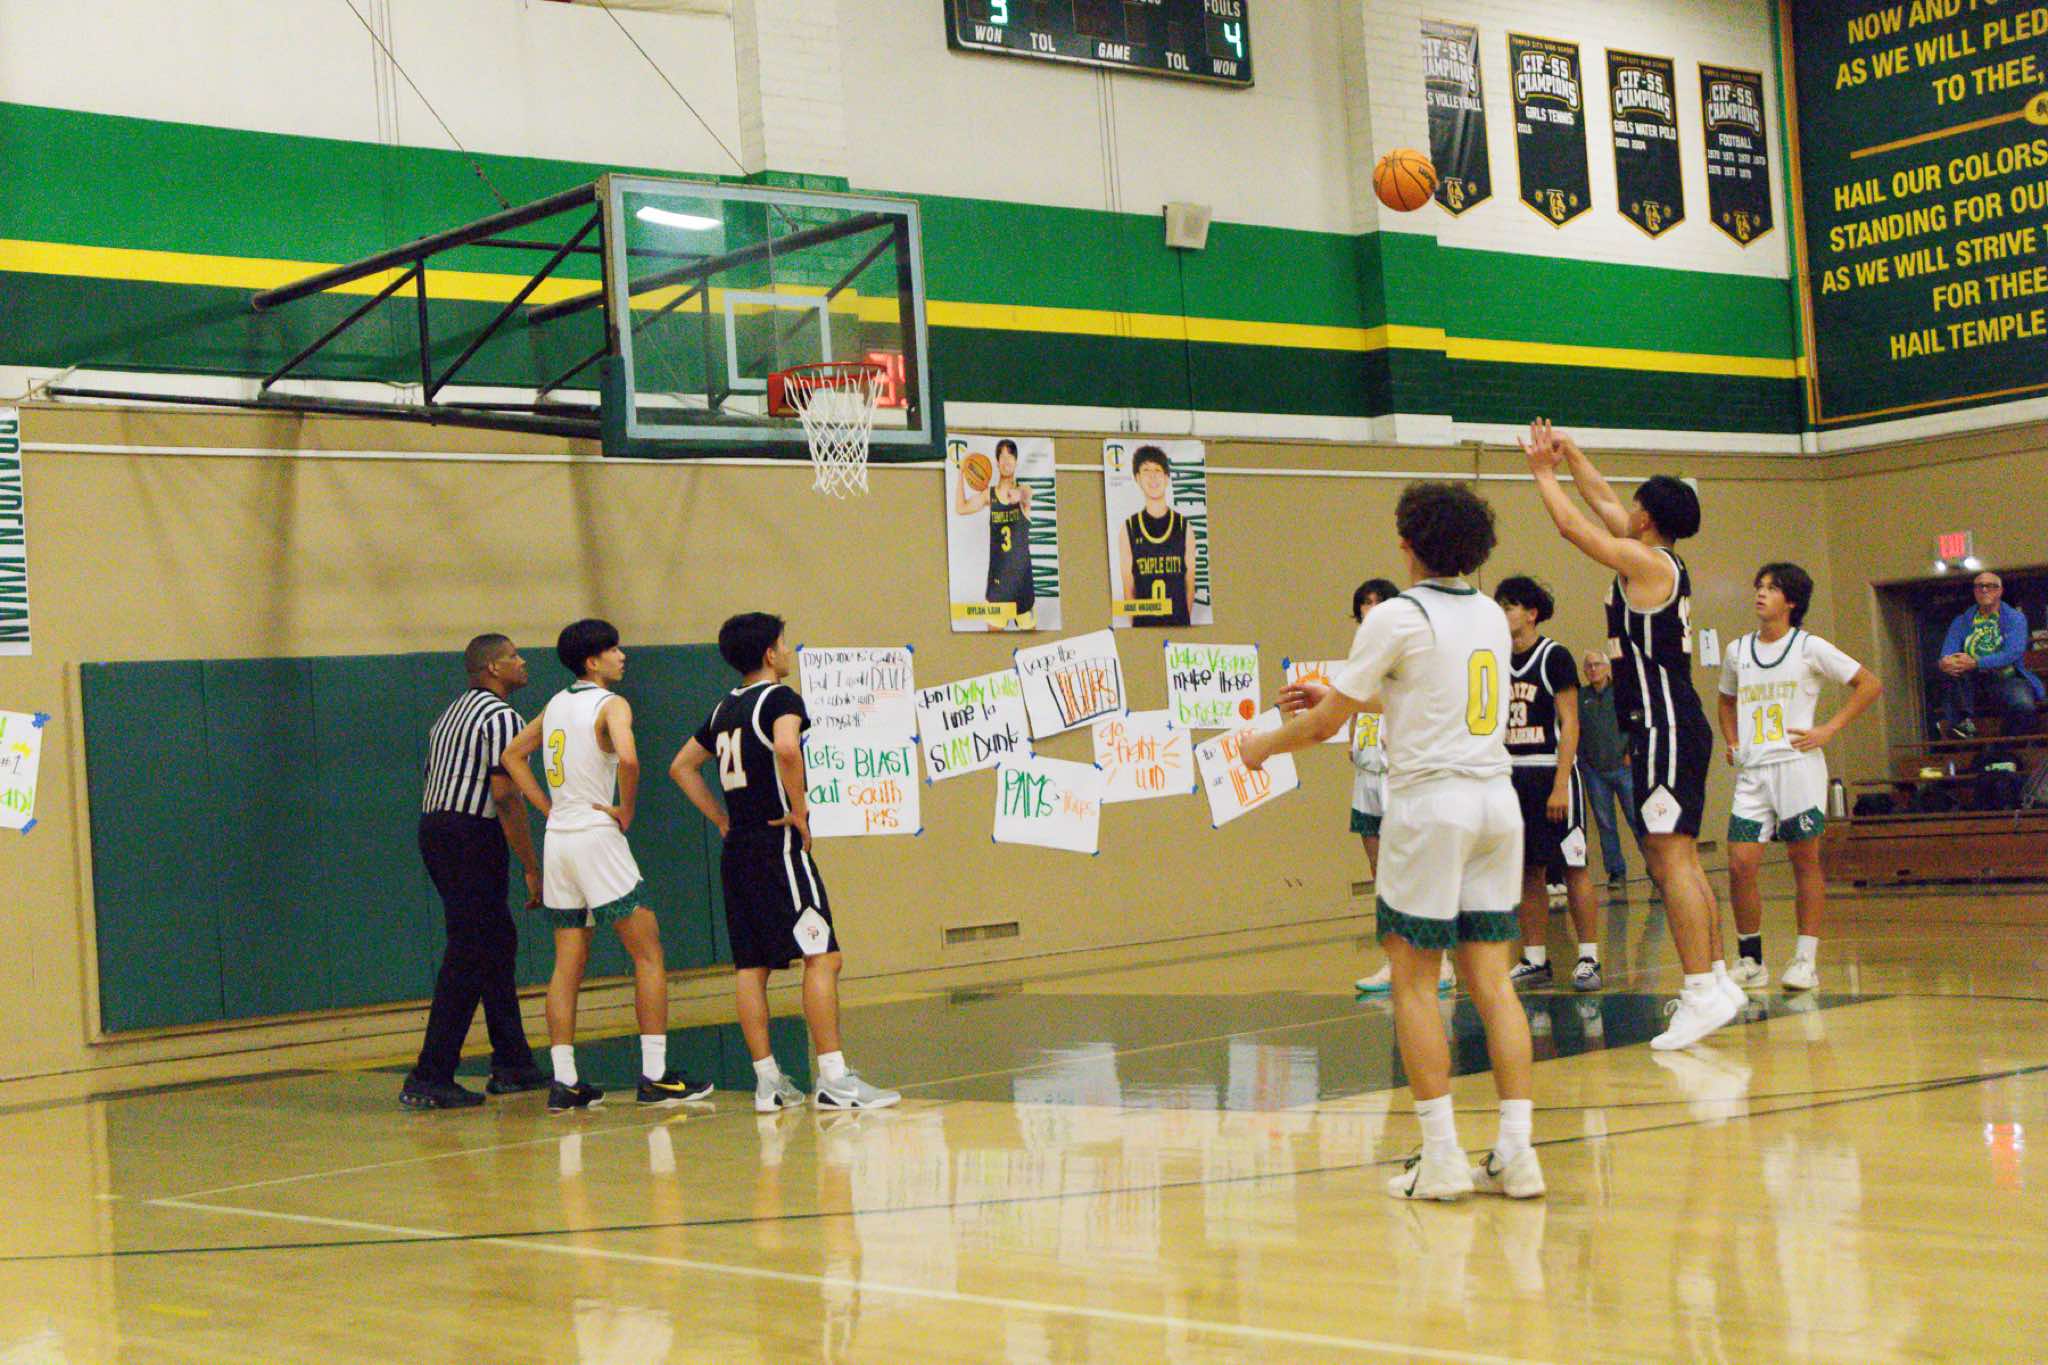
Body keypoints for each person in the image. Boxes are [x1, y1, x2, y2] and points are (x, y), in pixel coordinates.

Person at [1242, 481, 1542, 1202]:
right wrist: (1349, 695)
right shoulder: (1491, 615)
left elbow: (1321, 728)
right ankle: (1518, 1153)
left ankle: (1440, 1157)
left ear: (1407, 543)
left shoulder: (1395, 615)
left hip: (1432, 806)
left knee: (1413, 981)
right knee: (1493, 981)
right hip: (1496, 804)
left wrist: (1260, 746)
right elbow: (1426, 687)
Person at [1520, 419, 1744, 1049]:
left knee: (1669, 859)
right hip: (1668, 721)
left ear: (1647, 517)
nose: (1625, 509)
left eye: (1635, 505)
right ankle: (1717, 979)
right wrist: (1572, 453)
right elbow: (1602, 501)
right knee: (1681, 858)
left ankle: (1699, 990)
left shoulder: (1644, 562)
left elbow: (1574, 526)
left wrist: (1541, 472)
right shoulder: (1655, 553)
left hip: (1664, 722)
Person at [670, 612, 901, 1112]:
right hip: (778, 844)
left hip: (738, 849)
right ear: (770, 653)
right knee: (823, 956)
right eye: (784, 642)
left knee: (751, 966)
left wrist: (721, 818)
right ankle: (834, 1080)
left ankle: (768, 1082)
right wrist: (799, 810)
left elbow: (681, 767)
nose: (788, 650)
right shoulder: (779, 699)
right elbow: (787, 748)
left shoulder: (723, 709)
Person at [502, 619, 713, 1113]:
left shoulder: (555, 704)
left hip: (559, 841)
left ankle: (565, 1081)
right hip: (597, 835)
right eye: (614, 649)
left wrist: (547, 808)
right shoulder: (611, 704)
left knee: (566, 963)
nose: (622, 655)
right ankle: (655, 1076)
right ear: (592, 660)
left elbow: (513, 756)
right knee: (648, 952)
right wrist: (627, 808)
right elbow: (630, 760)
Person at [401, 634, 549, 1110]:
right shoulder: (502, 718)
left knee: (496, 940)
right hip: (471, 833)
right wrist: (531, 865)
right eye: (513, 656)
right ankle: (430, 1073)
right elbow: (505, 796)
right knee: (469, 949)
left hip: (436, 829)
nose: (522, 662)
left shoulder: (448, 715)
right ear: (492, 669)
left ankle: (513, 1062)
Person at [1720, 563, 1882, 992]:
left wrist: (1829, 728)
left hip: (1797, 768)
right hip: (1753, 772)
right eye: (1758, 586)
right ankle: (1751, 960)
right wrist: (1732, 740)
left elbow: (1869, 684)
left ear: (1791, 601)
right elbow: (1726, 699)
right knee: (1740, 864)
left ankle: (1805, 960)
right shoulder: (1738, 650)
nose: (1760, 594)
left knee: (1803, 860)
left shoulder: (1810, 647)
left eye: (1771, 588)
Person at [1495, 577, 1603, 993]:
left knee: (1574, 866)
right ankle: (1535, 958)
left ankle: (1588, 956)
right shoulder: (1497, 658)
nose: (1502, 613)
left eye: (1509, 606)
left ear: (1531, 613)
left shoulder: (1553, 656)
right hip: (1513, 774)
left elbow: (1570, 722)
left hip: (1551, 771)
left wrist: (1561, 782)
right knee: (1528, 869)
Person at [1350, 578, 1456, 998]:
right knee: (1382, 873)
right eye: (1364, 603)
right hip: (1367, 776)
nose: (1370, 608)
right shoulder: (1359, 654)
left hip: (1403, 774)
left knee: (1415, 870)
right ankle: (1395, 959)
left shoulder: (1408, 650)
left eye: (1378, 601)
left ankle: (1439, 960)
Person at [1934, 571, 2041, 738]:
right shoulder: (1961, 621)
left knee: (2023, 704)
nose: (1984, 590)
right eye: (1979, 586)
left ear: (2000, 591)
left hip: (2006, 678)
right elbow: (1947, 652)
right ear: (1974, 591)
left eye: (1990, 586)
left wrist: (1975, 662)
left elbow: (2012, 653)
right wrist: (1945, 663)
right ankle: (1963, 727)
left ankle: (2008, 742)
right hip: (1971, 681)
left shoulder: (2015, 618)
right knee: (1953, 672)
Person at [1578, 649, 1647, 891]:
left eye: (1597, 664)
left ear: (1607, 667)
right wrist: (1584, 761)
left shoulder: (1623, 692)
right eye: (1588, 666)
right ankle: (1616, 872)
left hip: (1624, 768)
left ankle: (1655, 866)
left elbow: (1638, 725)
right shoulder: (1581, 697)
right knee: (1605, 824)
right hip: (1595, 772)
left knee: (1636, 819)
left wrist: (1631, 753)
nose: (1593, 669)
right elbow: (1574, 730)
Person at [954, 438, 1035, 630]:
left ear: (1016, 461)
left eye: (1010, 456)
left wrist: (1018, 494)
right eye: (1002, 457)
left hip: (1022, 582)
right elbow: (961, 508)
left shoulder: (1024, 491)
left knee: (1033, 642)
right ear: (997, 462)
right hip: (998, 583)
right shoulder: (988, 496)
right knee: (992, 639)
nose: (1006, 461)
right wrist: (961, 473)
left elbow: (1026, 493)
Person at [1117, 445, 1196, 627]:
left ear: (1167, 478)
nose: (1152, 476)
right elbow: (1128, 589)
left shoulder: (1184, 527)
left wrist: (1183, 623)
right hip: (1144, 626)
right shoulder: (1129, 528)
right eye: (1146, 470)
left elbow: (1190, 585)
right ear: (1137, 478)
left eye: (1157, 470)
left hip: (1177, 626)